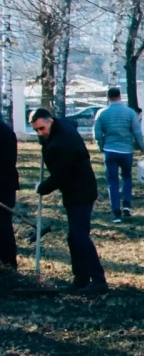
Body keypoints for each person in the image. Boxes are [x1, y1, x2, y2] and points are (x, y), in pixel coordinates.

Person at [29, 108, 107, 294]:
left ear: (50, 121)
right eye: (36, 130)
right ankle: (80, 278)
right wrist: (44, 140)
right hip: (74, 190)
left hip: (81, 191)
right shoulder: (61, 125)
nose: (39, 133)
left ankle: (98, 280)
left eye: (41, 128)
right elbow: (72, 123)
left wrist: (42, 188)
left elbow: (61, 174)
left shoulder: (64, 142)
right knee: (74, 237)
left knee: (79, 237)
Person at [93, 86, 144, 223]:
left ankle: (116, 212)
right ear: (120, 96)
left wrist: (102, 147)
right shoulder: (130, 113)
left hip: (110, 150)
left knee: (112, 181)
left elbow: (97, 134)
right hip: (126, 151)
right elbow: (137, 133)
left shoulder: (101, 113)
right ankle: (126, 205)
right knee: (126, 177)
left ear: (108, 98)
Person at [0, 118, 16, 269]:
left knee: (3, 224)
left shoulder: (3, 132)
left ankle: (8, 261)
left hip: (3, 185)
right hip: (7, 184)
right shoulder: (6, 130)